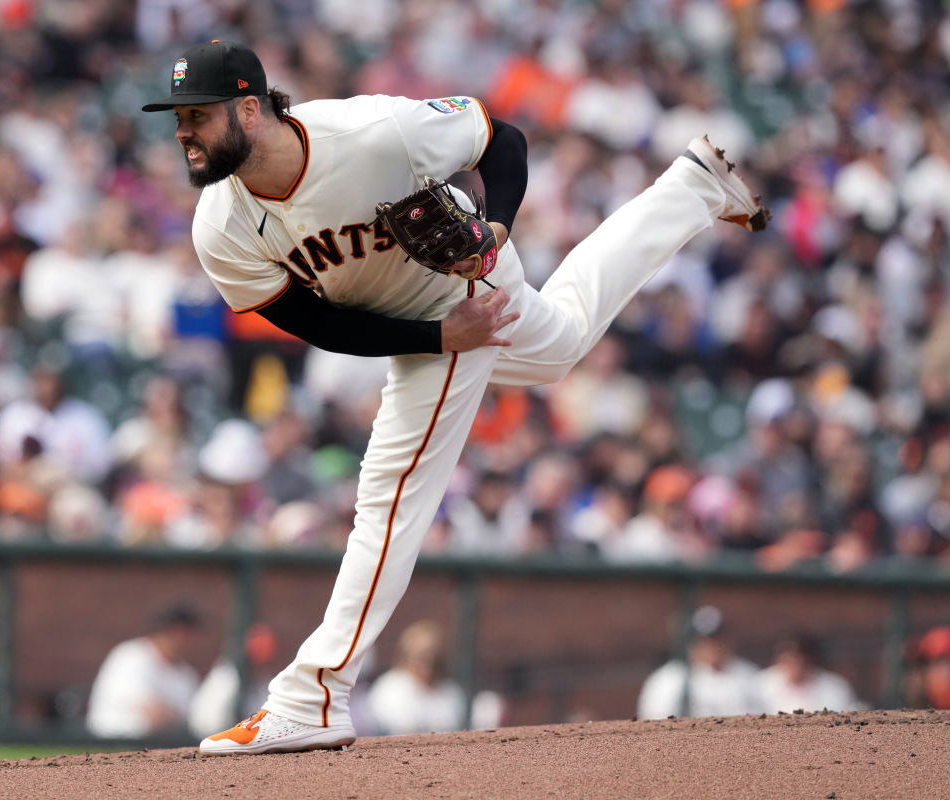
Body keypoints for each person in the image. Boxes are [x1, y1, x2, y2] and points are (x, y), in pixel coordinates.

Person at [141, 40, 770, 755]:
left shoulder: (374, 132)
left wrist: (496, 230)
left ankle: (314, 695)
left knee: (389, 493)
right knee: (558, 344)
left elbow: (503, 139)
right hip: (434, 326)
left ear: (250, 109)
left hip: (463, 286)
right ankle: (693, 188)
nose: (182, 132)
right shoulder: (218, 225)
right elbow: (316, 322)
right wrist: (438, 337)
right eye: (177, 118)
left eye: (196, 115)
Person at [85, 604, 203, 739]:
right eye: (188, 633)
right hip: (113, 740)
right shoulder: (131, 655)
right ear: (175, 630)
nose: (192, 641)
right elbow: (154, 713)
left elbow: (194, 717)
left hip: (161, 744)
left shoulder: (185, 672)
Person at [637, 606, 763, 720]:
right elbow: (655, 723)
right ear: (692, 643)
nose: (714, 646)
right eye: (706, 640)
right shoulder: (669, 679)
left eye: (719, 638)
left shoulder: (749, 674)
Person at [756, 633, 862, 714]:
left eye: (798, 657)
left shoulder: (834, 688)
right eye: (789, 658)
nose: (795, 663)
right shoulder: (761, 685)